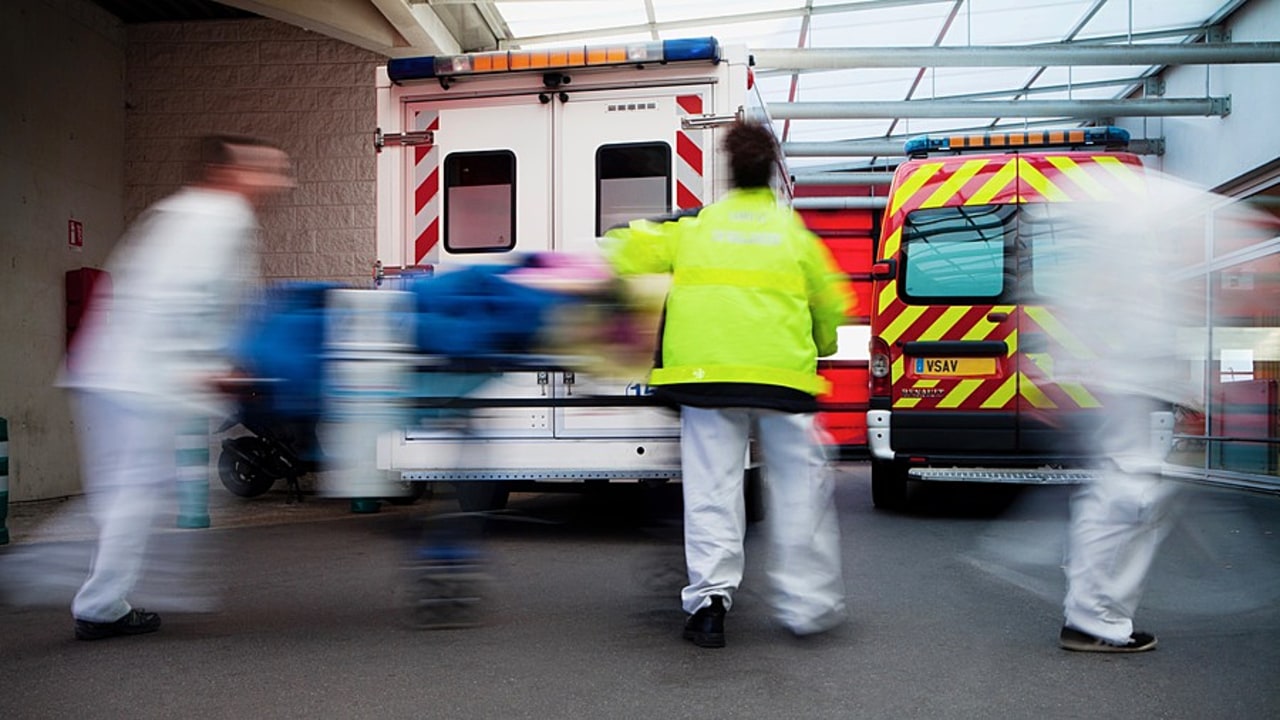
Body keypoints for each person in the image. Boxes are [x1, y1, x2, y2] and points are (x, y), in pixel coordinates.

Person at [603, 121, 853, 648]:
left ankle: (710, 605)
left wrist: (654, 227)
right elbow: (831, 307)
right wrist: (821, 345)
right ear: (774, 175)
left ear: (729, 172)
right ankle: (807, 605)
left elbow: (622, 250)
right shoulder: (795, 236)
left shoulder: (694, 230)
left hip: (705, 378)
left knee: (713, 490)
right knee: (798, 489)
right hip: (783, 380)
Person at [57, 134, 294, 640]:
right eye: (266, 169)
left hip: (118, 371)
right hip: (139, 378)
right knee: (135, 492)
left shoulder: (187, 212)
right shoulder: (218, 218)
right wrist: (209, 365)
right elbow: (179, 299)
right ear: (228, 172)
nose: (279, 181)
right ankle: (95, 602)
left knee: (130, 491)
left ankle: (101, 597)